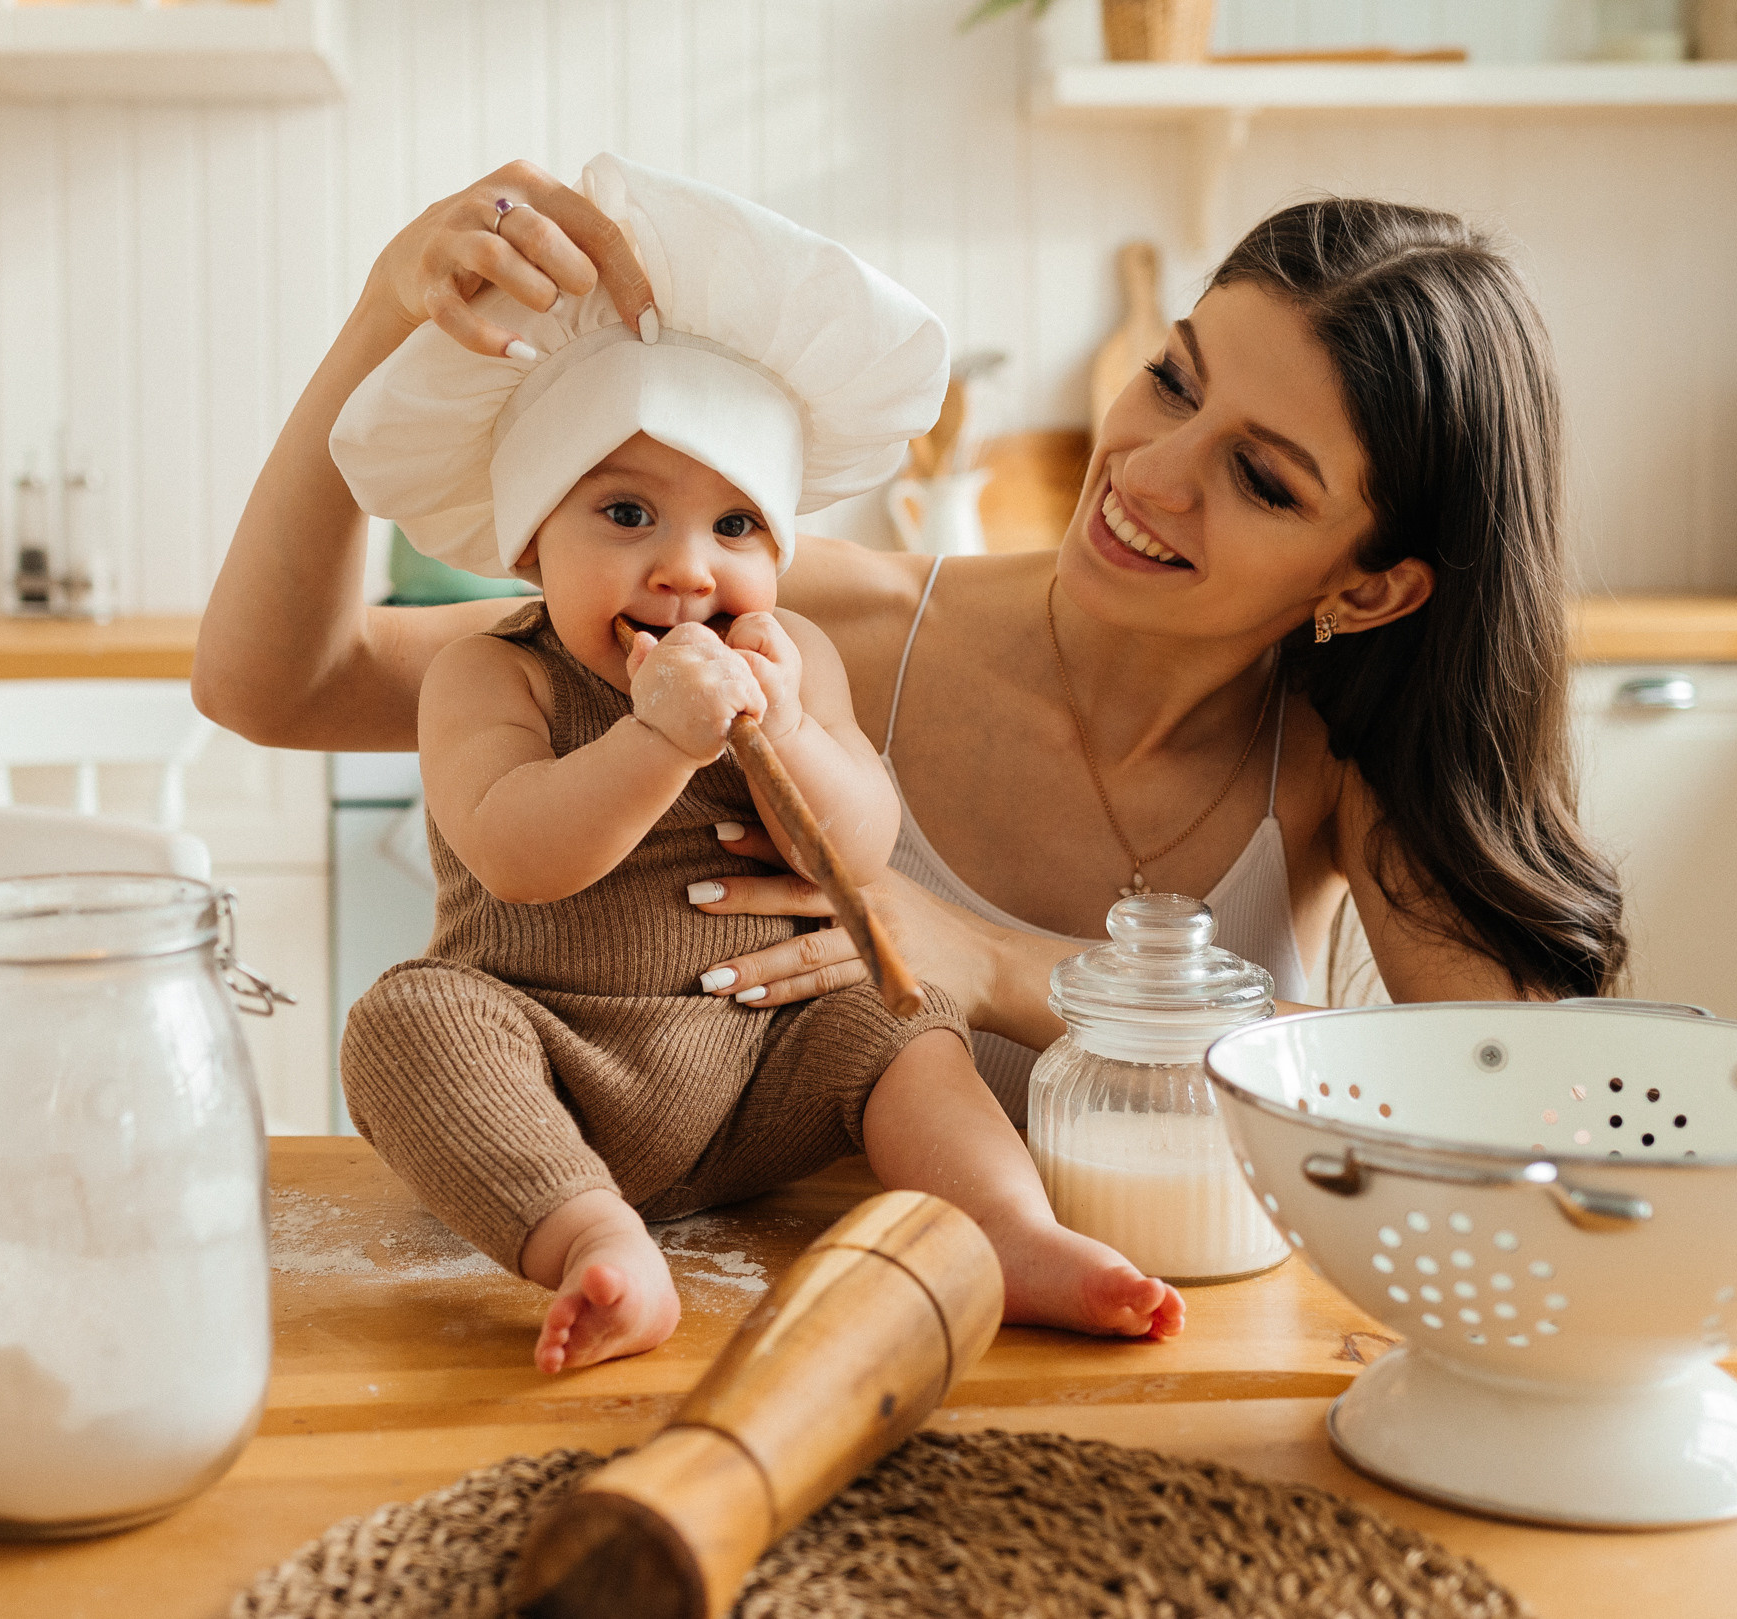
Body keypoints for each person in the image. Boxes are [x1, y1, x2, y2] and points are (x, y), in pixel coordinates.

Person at [198, 157, 1626, 1183]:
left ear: (1370, 583)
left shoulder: (1334, 757)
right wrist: (393, 312)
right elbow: (277, 680)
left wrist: (999, 963)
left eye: (1258, 475)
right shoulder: (818, 625)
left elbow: (1500, 1092)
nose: (1148, 469)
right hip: (831, 1334)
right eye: (1175, 379)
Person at [324, 156, 1182, 1374]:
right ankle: (590, 1241)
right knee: (403, 1022)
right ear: (530, 545)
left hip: (755, 1063)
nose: (686, 567)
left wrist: (779, 731)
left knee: (894, 1009)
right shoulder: (493, 673)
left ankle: (1010, 1231)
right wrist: (658, 737)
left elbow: (856, 851)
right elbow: (518, 854)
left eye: (735, 527)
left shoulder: (795, 660)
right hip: (546, 1061)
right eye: (626, 514)